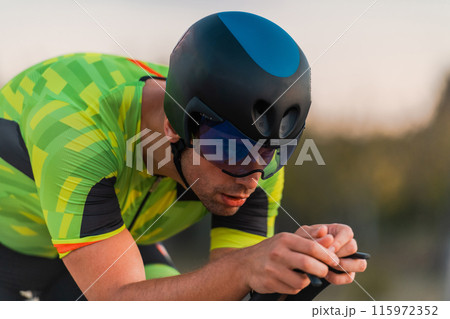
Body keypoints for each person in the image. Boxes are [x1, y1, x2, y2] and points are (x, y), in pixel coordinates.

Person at [0, 11, 366, 300]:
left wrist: (299, 267)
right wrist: (243, 269)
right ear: (175, 126)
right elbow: (116, 300)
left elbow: (233, 290)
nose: (252, 176)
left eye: (275, 152)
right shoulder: (75, 131)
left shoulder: (255, 153)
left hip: (120, 243)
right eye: (234, 151)